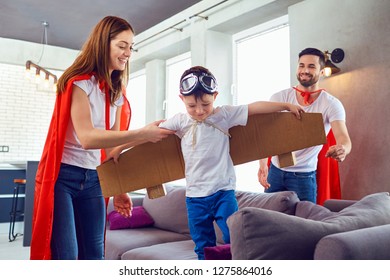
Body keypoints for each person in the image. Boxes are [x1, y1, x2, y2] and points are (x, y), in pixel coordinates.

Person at [30, 16, 174, 260]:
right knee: (67, 255)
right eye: (122, 45)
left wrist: (120, 187)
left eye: (131, 47)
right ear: (102, 44)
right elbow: (87, 138)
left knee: (95, 255)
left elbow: (112, 146)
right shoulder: (78, 83)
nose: (128, 52)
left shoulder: (116, 93)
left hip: (95, 178)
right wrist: (141, 133)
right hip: (63, 178)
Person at [158, 66, 304, 260]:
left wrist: (284, 106)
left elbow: (254, 108)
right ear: (181, 99)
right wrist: (119, 147)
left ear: (215, 96)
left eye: (206, 104)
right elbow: (150, 135)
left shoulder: (223, 115)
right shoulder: (180, 122)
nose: (200, 111)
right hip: (194, 197)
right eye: (192, 106)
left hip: (223, 192)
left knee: (233, 238)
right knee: (202, 244)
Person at [258, 47, 352, 203]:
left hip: (304, 177)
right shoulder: (279, 97)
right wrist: (262, 165)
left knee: (304, 223)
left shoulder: (332, 104)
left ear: (322, 72)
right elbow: (265, 133)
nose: (305, 70)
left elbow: (344, 139)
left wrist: (343, 149)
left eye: (311, 66)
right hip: (274, 172)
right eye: (301, 65)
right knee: (268, 220)